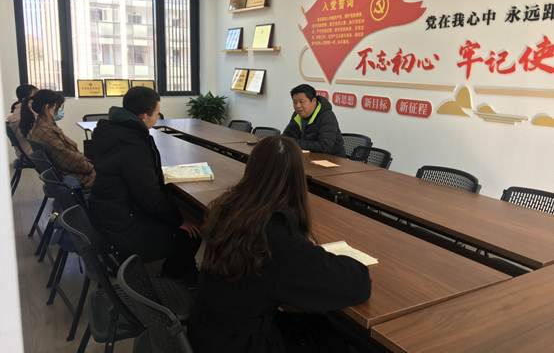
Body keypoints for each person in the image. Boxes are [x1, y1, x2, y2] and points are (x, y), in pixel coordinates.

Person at [189, 136, 371, 353]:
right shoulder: (274, 235)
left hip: (207, 331)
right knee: (331, 336)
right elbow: (358, 285)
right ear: (298, 180)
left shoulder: (229, 208)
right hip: (241, 344)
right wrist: (306, 248)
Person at [88, 87, 200, 280]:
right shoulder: (132, 144)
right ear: (143, 116)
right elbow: (149, 197)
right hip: (123, 225)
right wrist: (179, 219)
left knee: (176, 211)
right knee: (192, 234)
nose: (157, 118)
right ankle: (172, 281)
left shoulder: (112, 131)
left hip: (107, 212)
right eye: (156, 114)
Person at [20, 89, 96, 189]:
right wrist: (92, 165)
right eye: (59, 107)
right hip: (79, 176)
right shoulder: (47, 133)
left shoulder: (43, 126)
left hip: (68, 172)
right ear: (47, 107)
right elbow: (68, 159)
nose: (61, 110)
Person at [283, 84, 346, 156]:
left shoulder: (327, 116)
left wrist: (294, 142)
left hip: (333, 158)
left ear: (313, 101)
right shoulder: (297, 114)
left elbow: (325, 146)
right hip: (308, 156)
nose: (298, 106)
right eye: (295, 102)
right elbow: (286, 137)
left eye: (301, 102)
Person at [6, 84, 37, 157]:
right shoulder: (27, 116)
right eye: (35, 95)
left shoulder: (16, 112)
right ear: (28, 99)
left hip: (23, 155)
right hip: (34, 154)